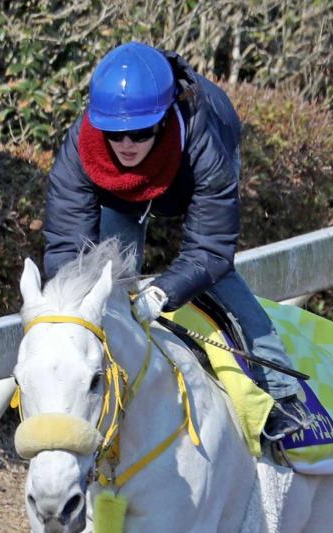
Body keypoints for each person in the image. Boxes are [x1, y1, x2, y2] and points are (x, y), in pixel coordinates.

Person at [43, 41, 313, 441]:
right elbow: (67, 246)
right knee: (106, 275)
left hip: (189, 169)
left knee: (217, 282)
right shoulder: (82, 147)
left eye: (140, 132)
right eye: (115, 134)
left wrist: (162, 295)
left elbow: (211, 250)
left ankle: (283, 396)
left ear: (165, 119)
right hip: (124, 189)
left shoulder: (206, 139)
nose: (127, 144)